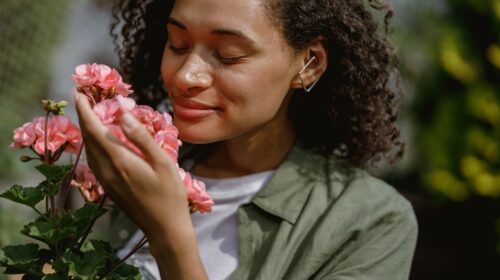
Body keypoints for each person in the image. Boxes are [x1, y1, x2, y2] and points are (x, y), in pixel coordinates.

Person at [74, 0, 418, 279]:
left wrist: (170, 238)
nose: (184, 76)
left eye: (228, 54)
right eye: (177, 44)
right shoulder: (134, 166)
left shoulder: (370, 222)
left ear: (309, 64)